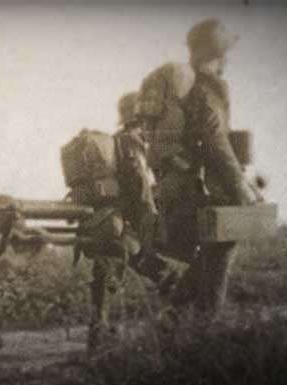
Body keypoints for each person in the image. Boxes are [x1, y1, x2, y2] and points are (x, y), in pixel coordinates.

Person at [136, 18, 258, 316]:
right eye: (224, 53)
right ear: (216, 53)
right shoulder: (206, 89)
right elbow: (216, 142)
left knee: (214, 250)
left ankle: (176, 320)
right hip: (197, 183)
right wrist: (242, 187)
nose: (227, 60)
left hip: (178, 181)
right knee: (221, 248)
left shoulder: (189, 87)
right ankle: (201, 328)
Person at [86, 92, 184, 353]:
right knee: (164, 273)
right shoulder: (132, 141)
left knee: (106, 276)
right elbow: (140, 184)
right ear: (139, 116)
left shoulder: (116, 141)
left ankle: (97, 339)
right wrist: (150, 218)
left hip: (104, 221)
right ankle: (172, 332)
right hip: (123, 225)